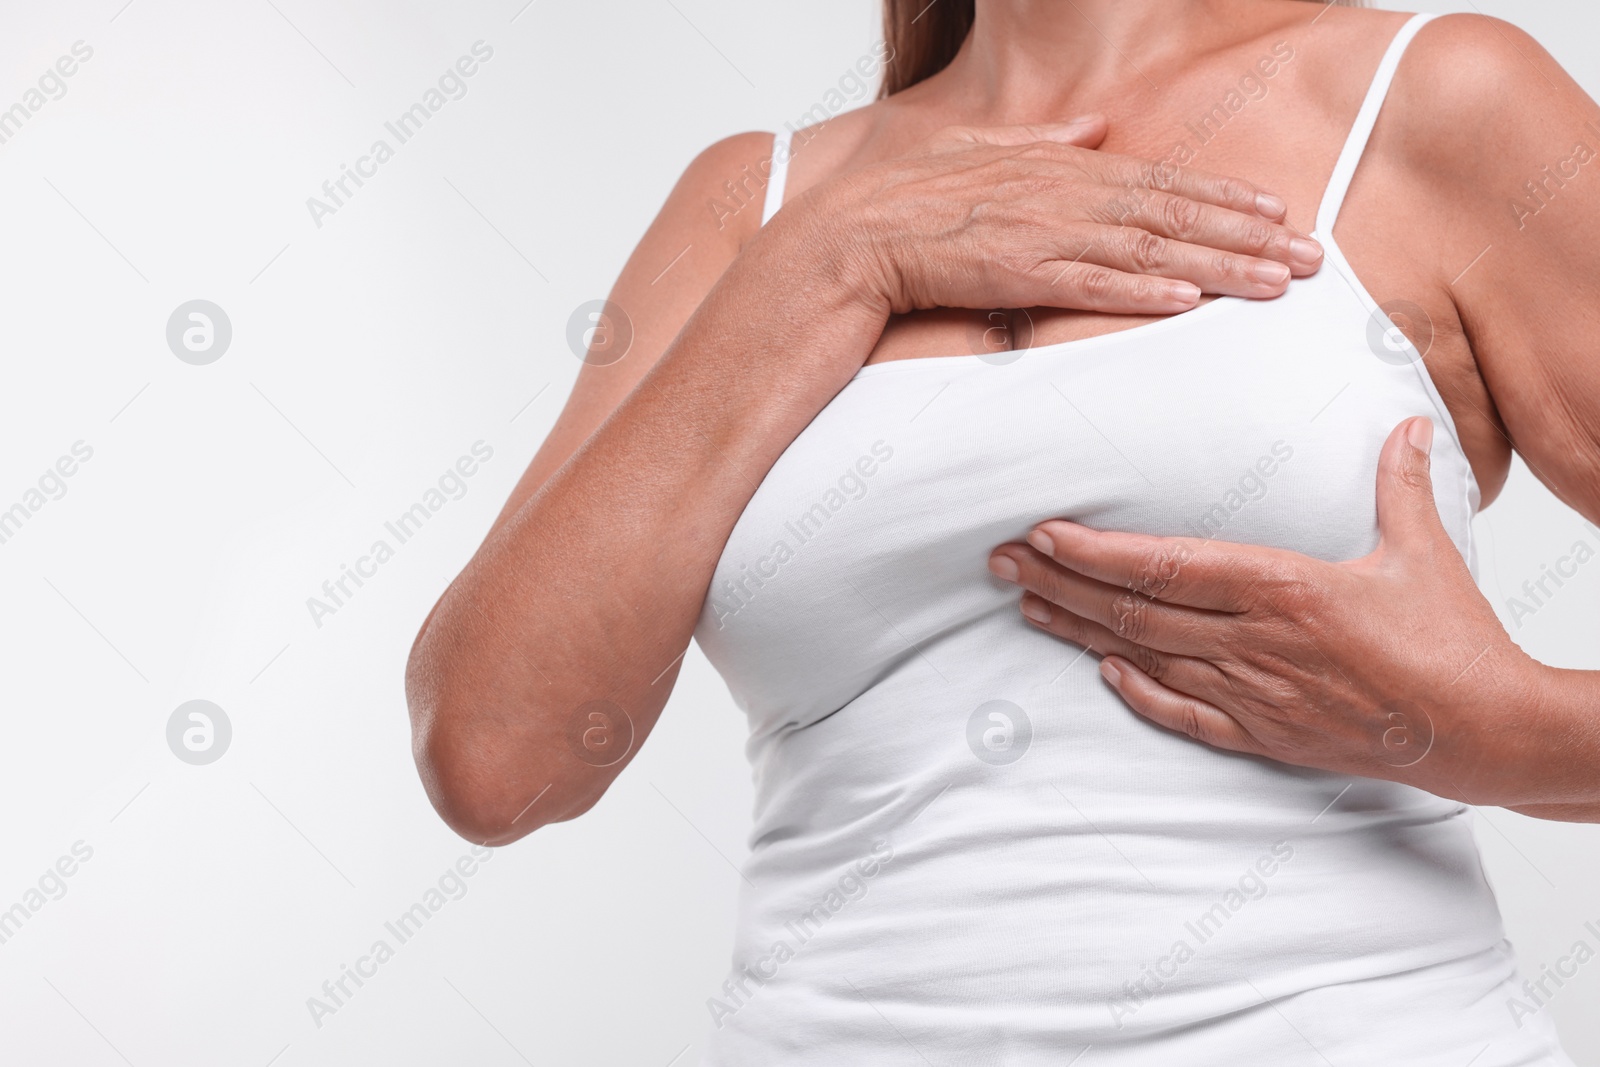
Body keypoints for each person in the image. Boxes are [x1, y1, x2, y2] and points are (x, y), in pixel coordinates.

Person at [406, 1, 1597, 1061]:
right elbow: (495, 758)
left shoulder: (1435, 95)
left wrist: (1492, 728)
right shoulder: (752, 205)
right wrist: (829, 261)